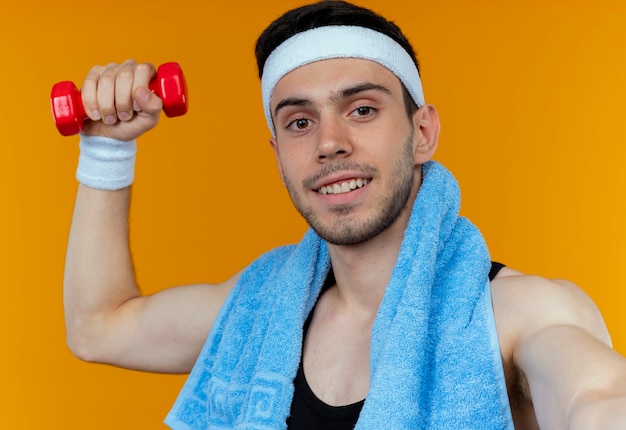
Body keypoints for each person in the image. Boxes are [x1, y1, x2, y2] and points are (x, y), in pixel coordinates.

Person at [63, 1, 626, 429]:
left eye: (362, 109)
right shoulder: (259, 308)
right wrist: (107, 151)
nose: (329, 144)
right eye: (300, 122)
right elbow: (98, 329)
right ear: (278, 156)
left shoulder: (518, 313)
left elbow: (597, 396)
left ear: (423, 133)